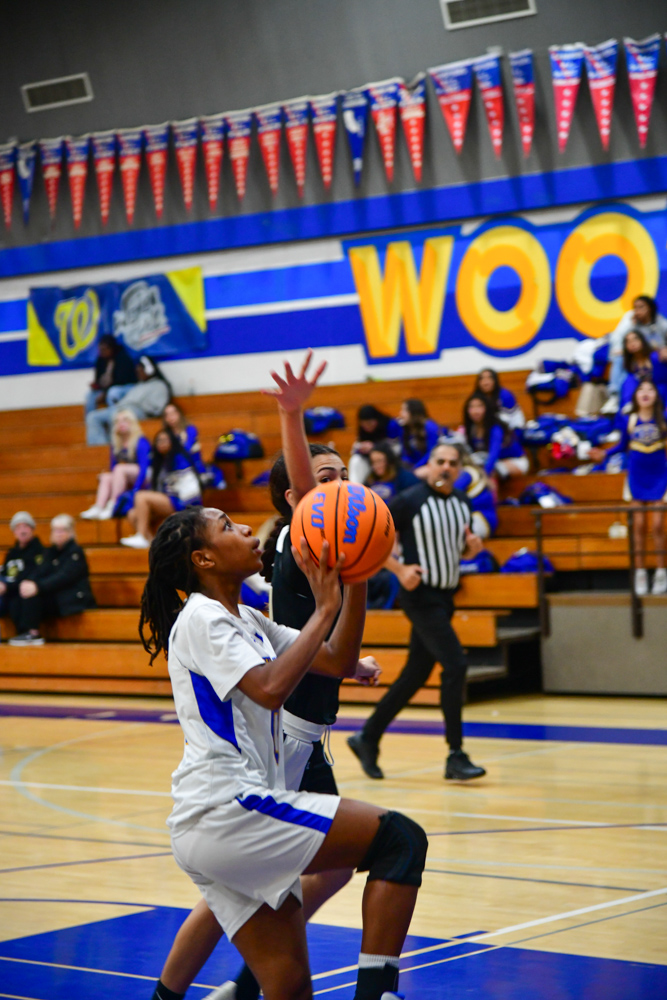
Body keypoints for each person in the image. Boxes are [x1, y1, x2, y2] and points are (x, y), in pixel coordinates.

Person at [149, 352, 383, 1000]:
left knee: (250, 884)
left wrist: (347, 648)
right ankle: (244, 984)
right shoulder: (298, 537)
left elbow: (329, 653)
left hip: (297, 734)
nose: (340, 489)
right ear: (297, 498)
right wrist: (291, 415)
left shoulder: (263, 594)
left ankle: (234, 985)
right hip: (284, 738)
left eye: (346, 478)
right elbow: (307, 494)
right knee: (334, 858)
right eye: (327, 479)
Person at [140, 505, 427, 1000]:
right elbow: (271, 688)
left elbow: (336, 658)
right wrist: (323, 610)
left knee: (288, 986)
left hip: (218, 821)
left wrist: (356, 578)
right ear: (204, 559)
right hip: (227, 807)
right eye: (227, 526)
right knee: (399, 840)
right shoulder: (203, 618)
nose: (245, 529)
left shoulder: (248, 619)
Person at [347, 442, 487, 782]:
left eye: (452, 463)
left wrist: (471, 550)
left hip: (446, 598)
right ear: (430, 465)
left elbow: (458, 549)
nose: (446, 467)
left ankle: (367, 737)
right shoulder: (409, 500)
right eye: (440, 461)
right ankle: (456, 754)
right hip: (420, 597)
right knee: (456, 665)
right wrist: (399, 569)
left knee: (415, 675)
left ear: (459, 469)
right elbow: (369, 538)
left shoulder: (463, 502)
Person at [592, 379, 667, 597]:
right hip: (636, 476)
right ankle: (640, 572)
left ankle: (661, 571)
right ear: (635, 396)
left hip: (660, 476)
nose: (645, 392)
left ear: (656, 395)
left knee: (657, 525)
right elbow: (622, 445)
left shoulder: (663, 419)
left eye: (650, 389)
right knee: (639, 525)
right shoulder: (629, 419)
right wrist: (604, 453)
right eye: (641, 389)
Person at [7, 514, 95, 647]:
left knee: (35, 593)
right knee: (21, 593)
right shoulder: (50, 552)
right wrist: (29, 582)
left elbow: (64, 577)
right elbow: (40, 571)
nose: (58, 534)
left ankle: (33, 633)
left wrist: (38, 586)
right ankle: (23, 631)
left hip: (75, 596)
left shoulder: (75, 552)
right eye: (55, 530)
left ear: (71, 532)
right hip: (57, 593)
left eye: (63, 530)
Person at [121, 428, 203, 549]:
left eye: (165, 440)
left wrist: (186, 509)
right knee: (132, 514)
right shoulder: (158, 461)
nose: (162, 443)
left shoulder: (179, 458)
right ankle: (152, 545)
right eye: (159, 441)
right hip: (167, 499)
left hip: (181, 501)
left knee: (141, 496)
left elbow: (190, 486)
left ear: (172, 441)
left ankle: (141, 536)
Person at [80, 409, 151, 520]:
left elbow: (144, 468)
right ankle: (99, 506)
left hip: (144, 477)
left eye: (125, 420)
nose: (121, 424)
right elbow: (112, 466)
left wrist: (136, 490)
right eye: (118, 421)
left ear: (132, 423)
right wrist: (113, 480)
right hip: (127, 475)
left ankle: (113, 503)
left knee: (120, 468)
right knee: (106, 477)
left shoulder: (141, 441)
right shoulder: (116, 443)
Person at [86, 356, 171, 446]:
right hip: (121, 408)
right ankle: (100, 448)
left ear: (149, 370)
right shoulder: (139, 385)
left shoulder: (159, 385)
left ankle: (113, 448)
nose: (138, 374)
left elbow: (157, 409)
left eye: (140, 371)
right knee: (92, 417)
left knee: (116, 416)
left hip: (138, 412)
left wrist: (139, 406)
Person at [608, 296, 667, 400]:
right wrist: (630, 324)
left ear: (650, 308)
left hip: (655, 357)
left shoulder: (660, 322)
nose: (637, 311)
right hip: (636, 359)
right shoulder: (632, 321)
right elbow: (617, 338)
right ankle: (615, 395)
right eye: (635, 308)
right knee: (619, 359)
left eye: (641, 307)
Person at [462, 393, 528, 479]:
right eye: (471, 407)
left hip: (514, 461)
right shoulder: (471, 429)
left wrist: (483, 475)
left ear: (487, 408)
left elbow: (493, 455)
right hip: (490, 461)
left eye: (479, 406)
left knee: (492, 469)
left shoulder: (495, 428)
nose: (475, 411)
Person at [0, 512, 45, 627]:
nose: (22, 531)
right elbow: (5, 572)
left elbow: (32, 577)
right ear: (14, 532)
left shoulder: (39, 551)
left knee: (18, 600)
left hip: (22, 595)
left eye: (26, 526)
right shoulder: (12, 553)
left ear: (32, 529)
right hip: (8, 593)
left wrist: (6, 586)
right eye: (18, 528)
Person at [452, 442, 498, 539]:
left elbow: (450, 493)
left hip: (481, 518)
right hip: (481, 518)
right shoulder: (470, 470)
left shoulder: (467, 473)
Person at [84, 334, 137, 418]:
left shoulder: (122, 358)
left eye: (104, 349)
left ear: (112, 348)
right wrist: (96, 386)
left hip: (126, 387)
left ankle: (114, 418)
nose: (102, 352)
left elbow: (120, 380)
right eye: (100, 350)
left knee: (113, 393)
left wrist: (105, 393)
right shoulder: (100, 360)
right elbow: (98, 379)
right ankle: (90, 419)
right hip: (107, 389)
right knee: (90, 395)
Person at [348, 405, 401, 483]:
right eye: (364, 424)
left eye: (369, 423)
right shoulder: (362, 430)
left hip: (389, 455)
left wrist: (375, 447)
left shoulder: (390, 425)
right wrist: (361, 448)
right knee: (355, 460)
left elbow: (396, 446)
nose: (367, 427)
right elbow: (355, 448)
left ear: (376, 420)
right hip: (371, 458)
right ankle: (354, 486)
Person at [618, 330, 667, 411]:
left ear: (642, 340)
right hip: (643, 393)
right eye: (628, 342)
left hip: (661, 390)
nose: (632, 343)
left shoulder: (656, 356)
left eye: (635, 339)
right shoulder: (631, 363)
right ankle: (628, 406)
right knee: (628, 381)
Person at [162, 402, 206, 475]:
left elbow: (186, 451)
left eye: (173, 413)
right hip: (173, 472)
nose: (170, 417)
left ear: (179, 414)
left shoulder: (190, 430)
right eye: (167, 415)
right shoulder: (165, 435)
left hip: (192, 469)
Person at [397, 398, 441, 470]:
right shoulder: (405, 428)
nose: (400, 414)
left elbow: (432, 452)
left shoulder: (430, 426)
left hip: (428, 465)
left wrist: (415, 468)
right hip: (412, 467)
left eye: (404, 410)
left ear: (413, 412)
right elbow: (405, 454)